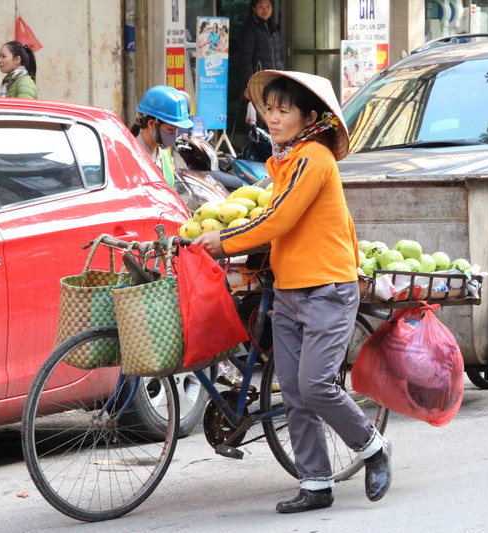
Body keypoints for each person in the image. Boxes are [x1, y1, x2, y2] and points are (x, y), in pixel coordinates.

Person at [193, 70, 391, 513]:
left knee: (317, 385)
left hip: (327, 289)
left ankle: (374, 448)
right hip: (289, 291)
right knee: (295, 393)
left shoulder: (313, 160)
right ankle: (316, 482)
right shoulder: (283, 162)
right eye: (270, 109)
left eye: (285, 110)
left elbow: (278, 220)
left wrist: (223, 242)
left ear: (308, 118)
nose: (274, 118)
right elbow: (277, 220)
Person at [238, 0, 283, 102]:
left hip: (275, 79)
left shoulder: (274, 28)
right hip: (259, 81)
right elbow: (245, 59)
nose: (265, 10)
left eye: (268, 6)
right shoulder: (250, 29)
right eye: (261, 7)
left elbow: (279, 55)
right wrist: (249, 84)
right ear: (254, 9)